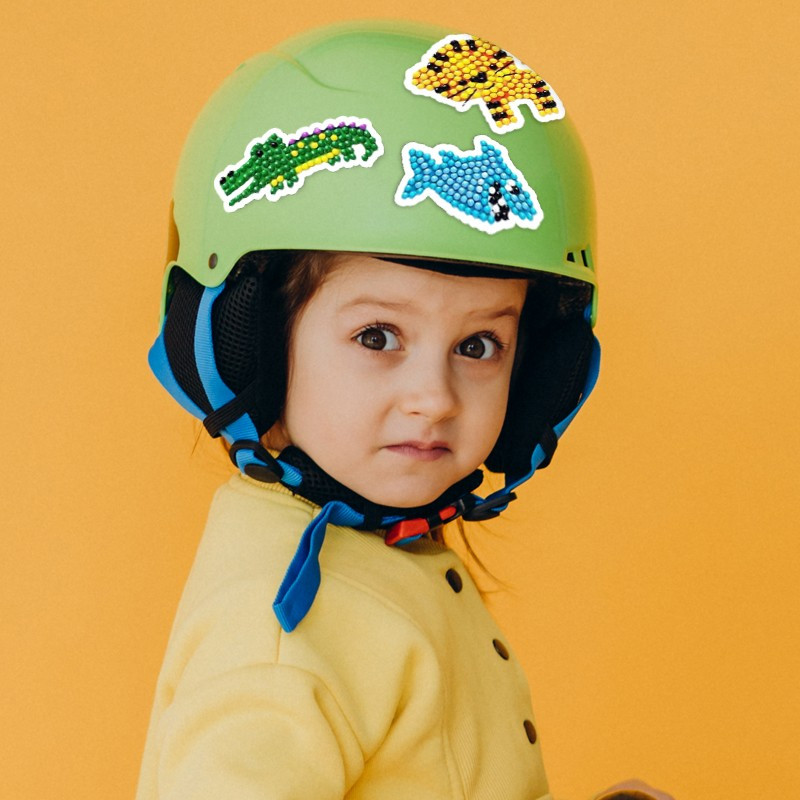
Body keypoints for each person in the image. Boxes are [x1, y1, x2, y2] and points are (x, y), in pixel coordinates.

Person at [137, 21, 673, 800]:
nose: (435, 398)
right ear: (250, 350)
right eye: (377, 336)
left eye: (479, 345)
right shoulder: (283, 631)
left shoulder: (369, 553)